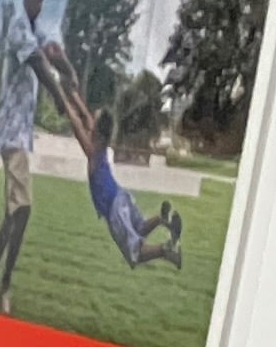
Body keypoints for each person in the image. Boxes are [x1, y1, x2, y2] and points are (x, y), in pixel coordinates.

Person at [40, 42, 186, 269]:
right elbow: (85, 116)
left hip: (114, 208)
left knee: (135, 252)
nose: (92, 119)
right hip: (122, 196)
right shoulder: (101, 147)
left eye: (94, 122)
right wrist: (73, 92)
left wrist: (58, 89)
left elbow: (77, 121)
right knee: (138, 229)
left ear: (97, 133)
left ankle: (165, 250)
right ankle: (162, 219)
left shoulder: (92, 153)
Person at [0, 0, 51, 312]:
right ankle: (4, 286)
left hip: (19, 135)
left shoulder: (36, 30)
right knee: (25, 209)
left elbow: (52, 55)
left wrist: (72, 76)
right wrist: (64, 102)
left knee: (13, 215)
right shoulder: (19, 27)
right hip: (11, 133)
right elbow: (40, 67)